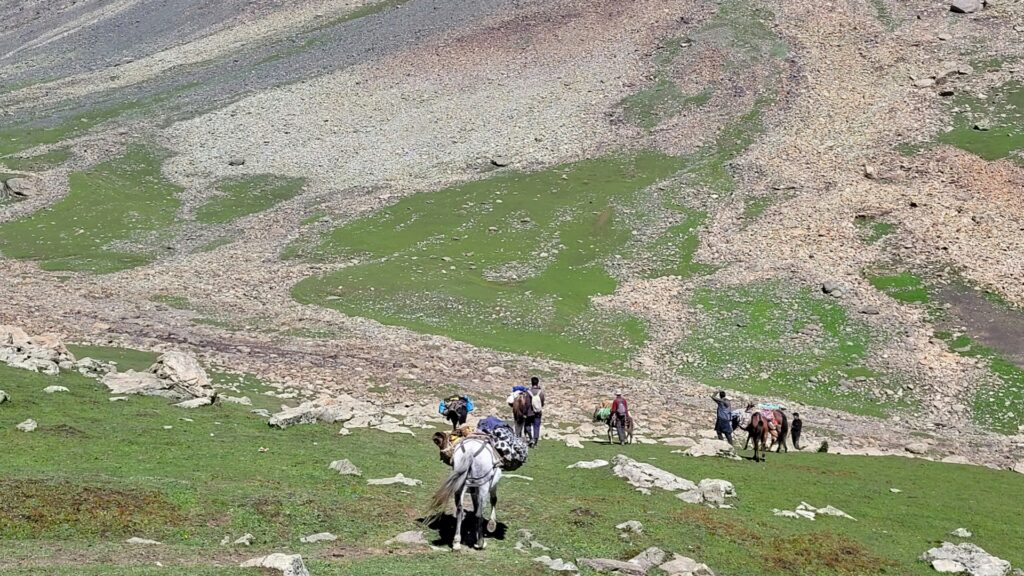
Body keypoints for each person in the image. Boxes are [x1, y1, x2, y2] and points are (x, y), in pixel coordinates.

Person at [526, 376, 545, 447]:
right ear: (538, 383)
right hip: (538, 412)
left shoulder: (528, 392)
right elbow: (542, 403)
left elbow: (527, 403)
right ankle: (535, 441)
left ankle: (531, 438)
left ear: (531, 383)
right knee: (536, 426)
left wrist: (526, 412)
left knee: (527, 425)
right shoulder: (541, 392)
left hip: (529, 412)